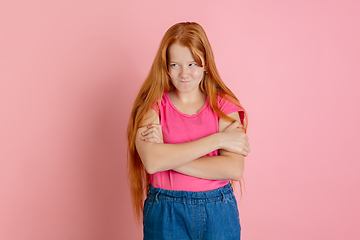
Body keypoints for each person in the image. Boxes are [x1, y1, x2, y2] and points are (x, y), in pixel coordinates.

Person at [127, 22, 250, 240]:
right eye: (175, 65)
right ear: (165, 66)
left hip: (218, 211)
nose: (184, 74)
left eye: (193, 64)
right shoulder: (151, 106)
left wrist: (167, 155)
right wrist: (219, 140)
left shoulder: (224, 105)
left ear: (206, 65)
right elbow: (153, 162)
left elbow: (233, 168)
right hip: (166, 211)